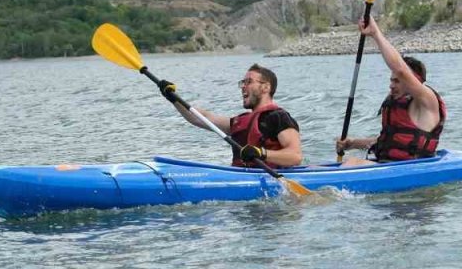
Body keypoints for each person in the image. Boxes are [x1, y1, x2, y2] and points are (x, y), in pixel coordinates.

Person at [336, 16, 446, 166]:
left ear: (414, 80)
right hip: (389, 165)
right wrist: (352, 143)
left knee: (353, 163)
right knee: (315, 167)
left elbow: (400, 70)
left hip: (413, 169)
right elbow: (388, 141)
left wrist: (375, 33)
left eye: (397, 81)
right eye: (391, 80)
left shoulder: (426, 100)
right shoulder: (397, 102)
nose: (391, 86)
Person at [158, 64, 303, 168]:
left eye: (249, 82)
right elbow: (200, 118)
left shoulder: (279, 117)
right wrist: (173, 99)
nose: (243, 86)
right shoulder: (239, 121)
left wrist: (261, 153)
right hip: (240, 175)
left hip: (269, 179)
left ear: (266, 87)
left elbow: (295, 156)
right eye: (242, 83)